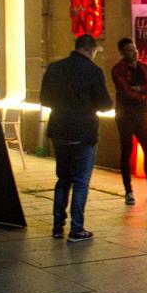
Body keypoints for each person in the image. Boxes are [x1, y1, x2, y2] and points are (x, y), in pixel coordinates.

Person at [40, 34, 113, 242]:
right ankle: (77, 228)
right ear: (91, 50)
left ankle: (57, 225)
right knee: (81, 180)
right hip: (83, 132)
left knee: (63, 178)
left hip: (59, 130)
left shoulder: (54, 68)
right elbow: (105, 104)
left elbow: (45, 99)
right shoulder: (93, 71)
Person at [111, 37, 147, 206]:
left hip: (143, 115)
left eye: (135, 49)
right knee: (126, 152)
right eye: (130, 50)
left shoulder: (144, 67)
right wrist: (145, 90)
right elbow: (127, 92)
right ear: (122, 52)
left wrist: (140, 89)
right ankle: (128, 191)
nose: (135, 52)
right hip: (125, 116)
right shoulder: (118, 70)